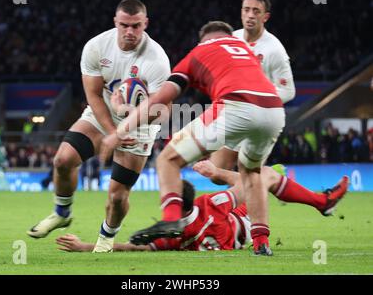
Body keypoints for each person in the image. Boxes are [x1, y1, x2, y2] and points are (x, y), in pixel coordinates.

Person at [102, 21, 285, 255]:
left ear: (203, 41)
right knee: (251, 173)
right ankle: (261, 244)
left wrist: (119, 130)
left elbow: (160, 100)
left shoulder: (200, 52)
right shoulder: (246, 52)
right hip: (274, 111)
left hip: (236, 105)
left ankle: (171, 219)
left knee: (167, 160)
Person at [26, 0, 171, 254]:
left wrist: (125, 121)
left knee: (117, 196)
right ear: (115, 22)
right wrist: (113, 131)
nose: (130, 31)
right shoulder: (96, 47)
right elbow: (93, 95)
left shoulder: (157, 59)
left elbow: (163, 111)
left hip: (139, 125)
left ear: (145, 23)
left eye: (136, 26)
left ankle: (105, 238)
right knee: (62, 160)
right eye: (124, 25)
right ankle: (62, 212)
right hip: (101, 115)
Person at [56, 167, 349, 252]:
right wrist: (217, 172)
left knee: (259, 176)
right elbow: (247, 186)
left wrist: (85, 246)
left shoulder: (167, 237)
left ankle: (308, 195)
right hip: (240, 222)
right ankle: (321, 202)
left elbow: (133, 250)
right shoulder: (209, 203)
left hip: (224, 239)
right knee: (261, 175)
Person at [210, 0, 295, 176]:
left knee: (247, 175)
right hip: (235, 115)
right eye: (246, 9)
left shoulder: (274, 50)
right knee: (216, 171)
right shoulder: (232, 38)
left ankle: (264, 180)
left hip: (261, 120)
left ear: (265, 17)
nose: (250, 15)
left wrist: (258, 100)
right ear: (241, 12)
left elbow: (289, 91)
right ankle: (273, 176)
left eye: (256, 11)